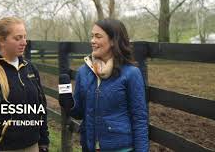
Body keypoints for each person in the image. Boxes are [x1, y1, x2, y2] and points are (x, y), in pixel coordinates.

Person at [59, 19, 149, 152]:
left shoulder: (131, 73)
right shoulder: (84, 72)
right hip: (89, 146)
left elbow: (139, 119)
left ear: (113, 41)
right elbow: (78, 113)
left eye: (98, 36)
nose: (92, 41)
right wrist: (68, 104)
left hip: (121, 147)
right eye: (92, 36)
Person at [0, 17, 49, 152]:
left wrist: (43, 141)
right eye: (18, 38)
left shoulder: (30, 68)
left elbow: (40, 107)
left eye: (25, 37)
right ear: (2, 40)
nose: (24, 42)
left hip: (33, 146)